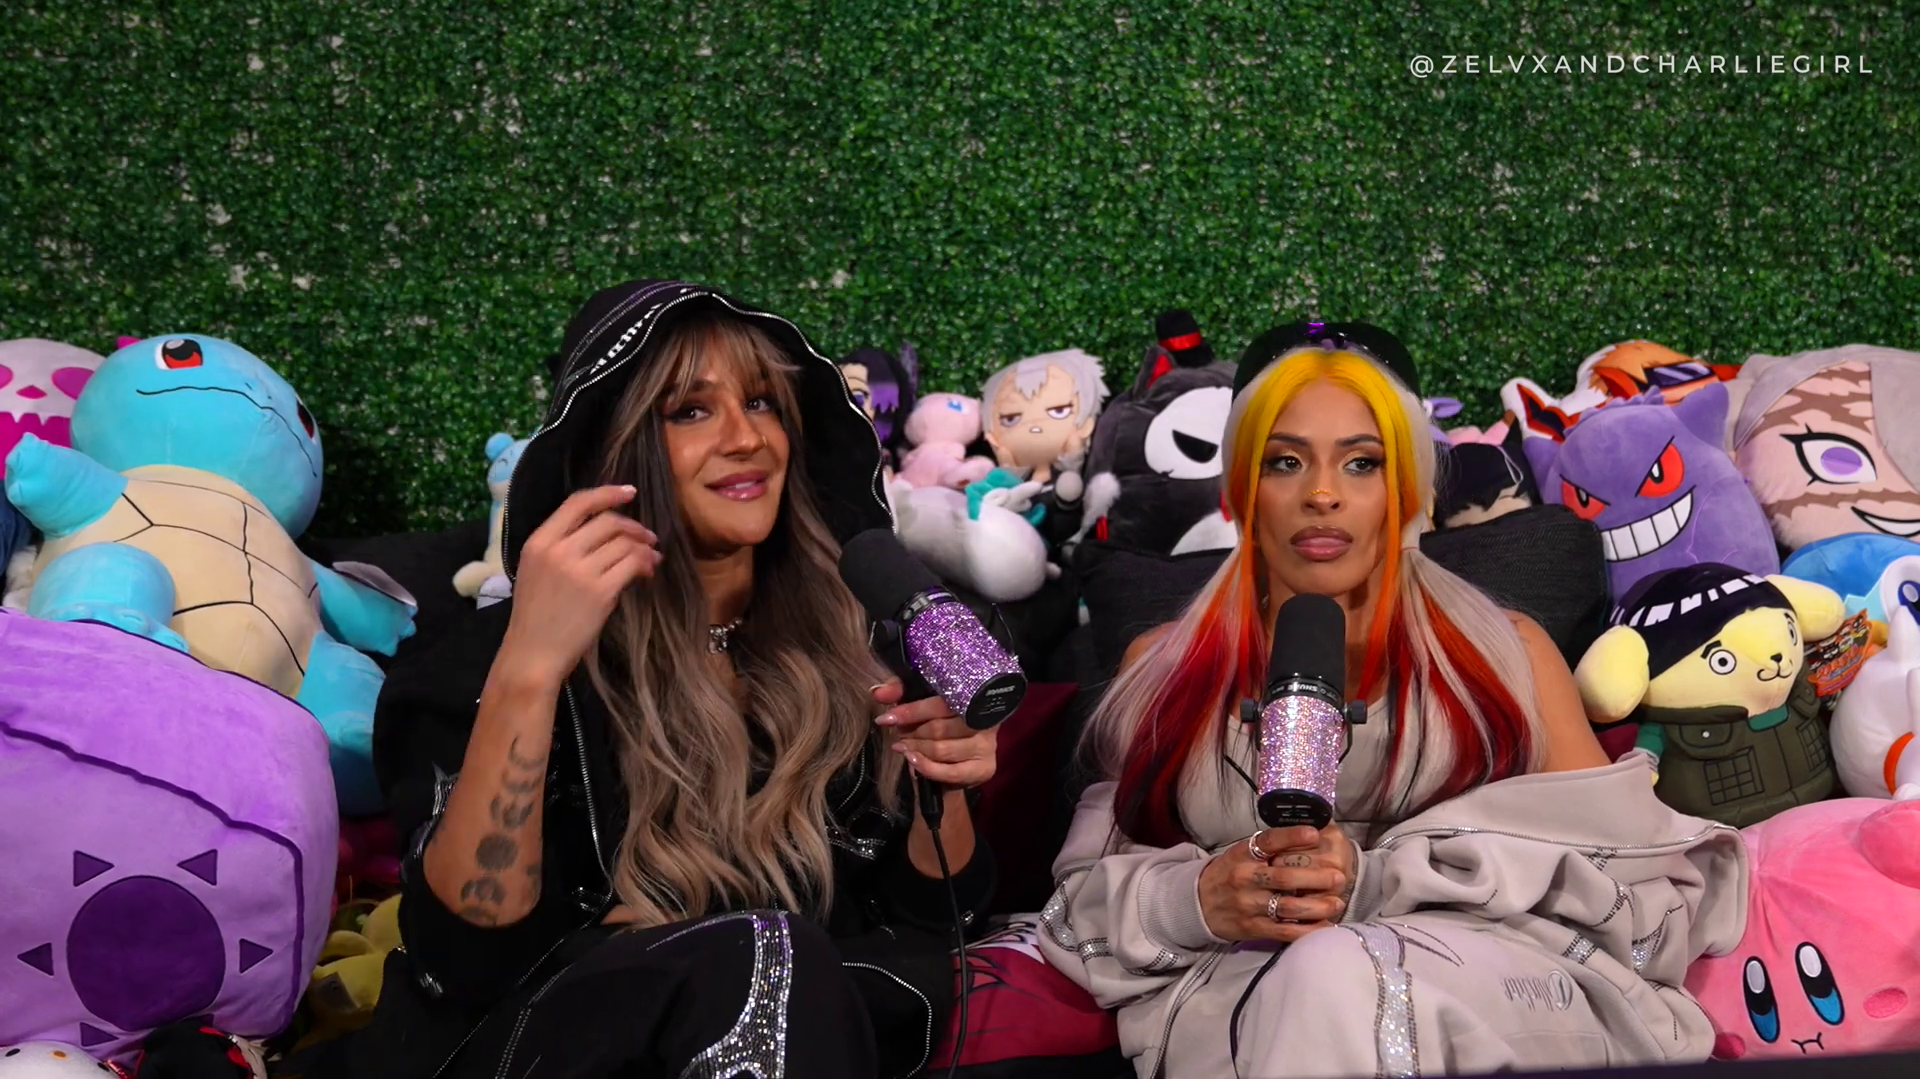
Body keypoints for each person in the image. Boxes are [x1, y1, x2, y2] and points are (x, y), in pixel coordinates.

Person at [314, 280, 998, 1079]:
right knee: (760, 956)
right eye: (691, 411)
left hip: (815, 1034)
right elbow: (466, 958)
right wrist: (529, 673)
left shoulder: (860, 643)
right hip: (550, 1053)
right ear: (613, 454)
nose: (747, 438)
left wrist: (945, 781)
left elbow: (938, 916)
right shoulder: (480, 666)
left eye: (763, 403)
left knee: (784, 961)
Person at [1036, 322, 1749, 1078]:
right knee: (1312, 982)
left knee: (1331, 972)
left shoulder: (1506, 655)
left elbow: (1637, 893)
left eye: (1361, 463)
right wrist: (1197, 900)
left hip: (1497, 992)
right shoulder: (1167, 668)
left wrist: (1379, 881)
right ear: (1242, 492)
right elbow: (1076, 912)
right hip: (1245, 1014)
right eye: (1285, 462)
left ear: (1407, 491)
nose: (1321, 494)